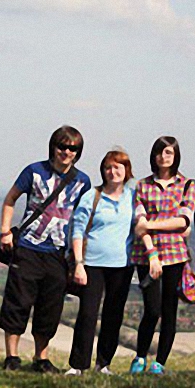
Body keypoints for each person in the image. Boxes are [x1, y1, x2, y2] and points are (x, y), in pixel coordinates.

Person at [0, 125, 91, 373]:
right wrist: (5, 232)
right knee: (18, 302)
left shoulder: (83, 181)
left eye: (73, 148)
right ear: (53, 146)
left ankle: (41, 358)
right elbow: (11, 199)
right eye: (62, 146)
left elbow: (84, 218)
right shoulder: (34, 171)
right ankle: (12, 357)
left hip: (58, 252)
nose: (67, 152)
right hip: (28, 247)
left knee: (50, 307)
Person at [130, 136, 195, 375]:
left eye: (168, 152)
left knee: (170, 310)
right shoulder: (142, 185)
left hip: (176, 256)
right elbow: (139, 224)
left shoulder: (187, 184)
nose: (163, 157)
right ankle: (139, 357)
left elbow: (184, 220)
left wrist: (152, 224)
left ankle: (160, 363)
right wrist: (151, 254)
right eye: (159, 152)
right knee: (152, 309)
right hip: (147, 255)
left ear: (176, 155)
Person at [65, 149, 136, 376]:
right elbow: (77, 229)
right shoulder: (92, 196)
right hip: (92, 264)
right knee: (87, 313)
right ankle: (78, 365)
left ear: (126, 170)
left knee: (114, 315)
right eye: (108, 167)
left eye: (117, 167)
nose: (112, 171)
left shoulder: (133, 197)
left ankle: (104, 363)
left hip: (123, 265)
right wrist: (78, 263)